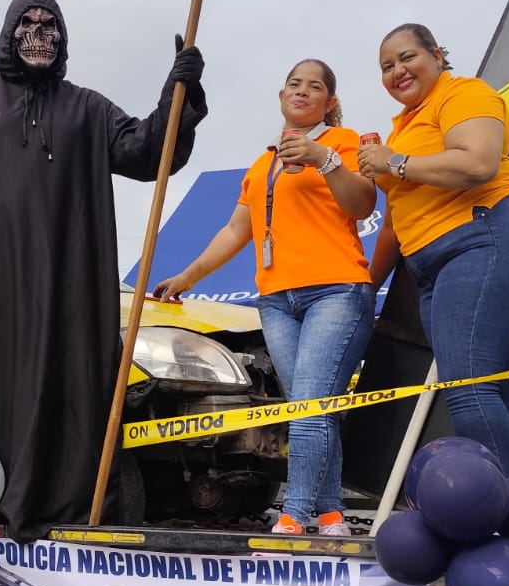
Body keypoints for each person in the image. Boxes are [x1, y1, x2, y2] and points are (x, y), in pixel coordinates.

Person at [0, 0, 207, 540]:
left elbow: (148, 151)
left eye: (49, 25)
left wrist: (178, 92)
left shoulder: (87, 110)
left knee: (75, 394)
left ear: (63, 37)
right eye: (28, 23)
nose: (39, 34)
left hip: (74, 286)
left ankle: (75, 517)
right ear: (9, 33)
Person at [152, 59, 377, 536]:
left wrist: (324, 159)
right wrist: (187, 276)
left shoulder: (344, 141)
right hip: (276, 300)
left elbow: (362, 204)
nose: (302, 91)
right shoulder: (263, 163)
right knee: (309, 407)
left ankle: (293, 516)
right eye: (294, 84)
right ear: (281, 96)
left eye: (314, 86)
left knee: (310, 408)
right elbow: (237, 230)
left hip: (335, 290)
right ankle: (331, 514)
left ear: (329, 103)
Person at [356, 23, 509, 474]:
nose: (397, 71)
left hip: (482, 237)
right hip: (433, 267)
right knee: (484, 386)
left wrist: (394, 162)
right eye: (386, 66)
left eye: (407, 57)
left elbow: (478, 163)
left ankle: (496, 504)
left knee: (468, 389)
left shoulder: (464, 92)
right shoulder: (404, 127)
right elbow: (395, 221)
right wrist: (366, 286)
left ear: (437, 56)